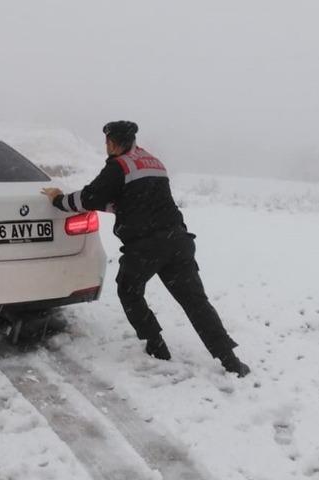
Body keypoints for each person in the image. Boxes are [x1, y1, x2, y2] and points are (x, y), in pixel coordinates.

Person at [42, 121, 251, 377]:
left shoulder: (118, 166)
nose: (106, 146)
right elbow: (133, 202)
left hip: (146, 246)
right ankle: (230, 360)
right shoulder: (154, 163)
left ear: (115, 143)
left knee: (128, 290)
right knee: (196, 301)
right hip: (178, 240)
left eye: (108, 142)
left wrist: (58, 200)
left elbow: (90, 198)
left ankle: (156, 344)